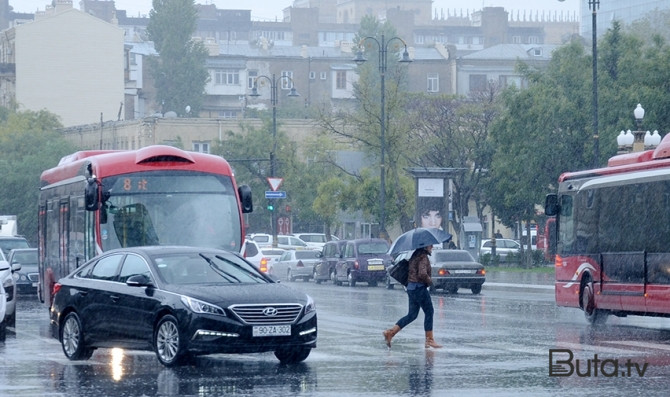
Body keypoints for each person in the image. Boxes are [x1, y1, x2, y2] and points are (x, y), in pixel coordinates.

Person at [382, 244, 443, 349]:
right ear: (425, 247)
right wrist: (430, 282)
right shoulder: (423, 257)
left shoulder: (415, 254)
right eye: (430, 246)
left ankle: (391, 333)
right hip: (419, 288)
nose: (432, 247)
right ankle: (429, 340)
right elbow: (422, 274)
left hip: (411, 288)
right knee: (429, 312)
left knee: (412, 315)